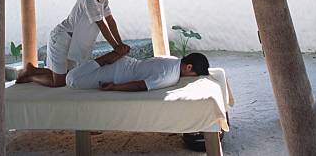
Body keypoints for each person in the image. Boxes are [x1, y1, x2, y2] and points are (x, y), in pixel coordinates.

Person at [16, 0, 129, 87]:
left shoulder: (103, 0)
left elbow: (110, 21)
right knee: (59, 82)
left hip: (72, 41)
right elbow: (102, 25)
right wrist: (116, 47)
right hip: (61, 37)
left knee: (69, 75)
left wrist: (120, 44)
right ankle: (31, 75)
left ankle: (32, 70)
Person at [66, 51, 210, 92]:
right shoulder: (170, 76)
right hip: (116, 73)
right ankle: (103, 59)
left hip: (126, 62)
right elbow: (140, 85)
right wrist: (114, 87)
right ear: (189, 67)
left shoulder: (172, 59)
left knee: (69, 75)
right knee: (72, 80)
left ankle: (104, 59)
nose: (191, 77)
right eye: (193, 75)